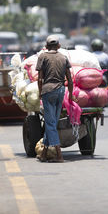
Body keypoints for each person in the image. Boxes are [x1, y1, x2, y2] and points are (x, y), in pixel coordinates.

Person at [36, 34, 75, 163]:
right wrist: (71, 95)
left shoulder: (43, 56)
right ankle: (44, 153)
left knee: (50, 123)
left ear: (46, 47)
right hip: (60, 91)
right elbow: (69, 80)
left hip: (48, 91)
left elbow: (40, 79)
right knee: (52, 122)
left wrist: (40, 92)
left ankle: (59, 155)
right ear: (58, 46)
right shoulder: (63, 58)